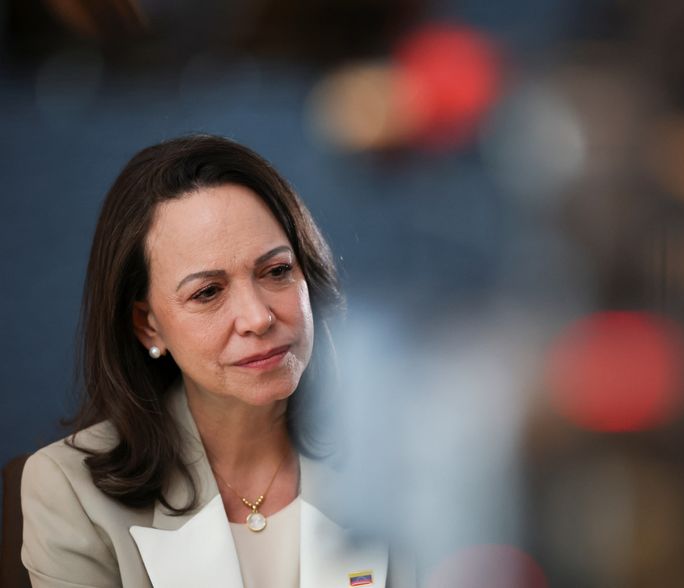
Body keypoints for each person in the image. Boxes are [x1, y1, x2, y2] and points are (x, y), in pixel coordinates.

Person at [20, 135, 403, 587]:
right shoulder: (68, 490)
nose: (258, 317)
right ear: (148, 326)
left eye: (277, 271)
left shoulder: (406, 452)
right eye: (207, 292)